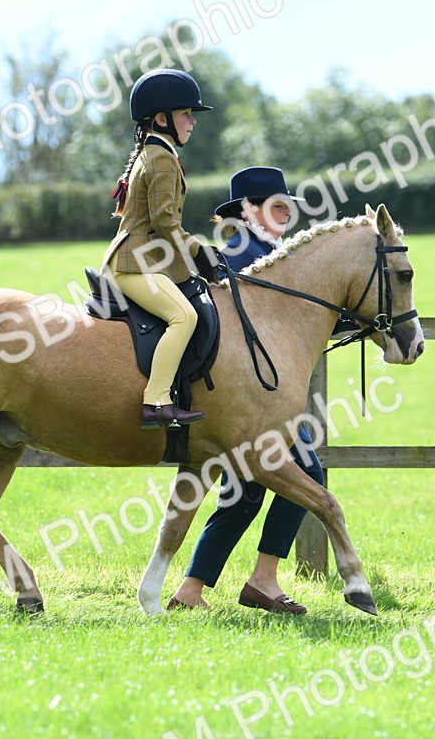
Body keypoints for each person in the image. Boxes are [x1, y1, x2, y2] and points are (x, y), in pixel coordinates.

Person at [167, 166, 329, 614]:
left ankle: (191, 591)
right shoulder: (242, 253)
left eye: (287, 206)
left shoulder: (269, 251)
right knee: (308, 475)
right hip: (254, 398)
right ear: (248, 210)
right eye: (277, 206)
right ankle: (262, 580)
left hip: (256, 396)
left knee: (243, 494)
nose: (286, 213)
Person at [100, 69, 221, 429]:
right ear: (162, 119)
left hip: (143, 260)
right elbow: (165, 221)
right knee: (184, 317)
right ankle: (156, 402)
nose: (192, 121)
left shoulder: (153, 153)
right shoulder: (162, 159)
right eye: (186, 114)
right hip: (134, 263)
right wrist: (199, 252)